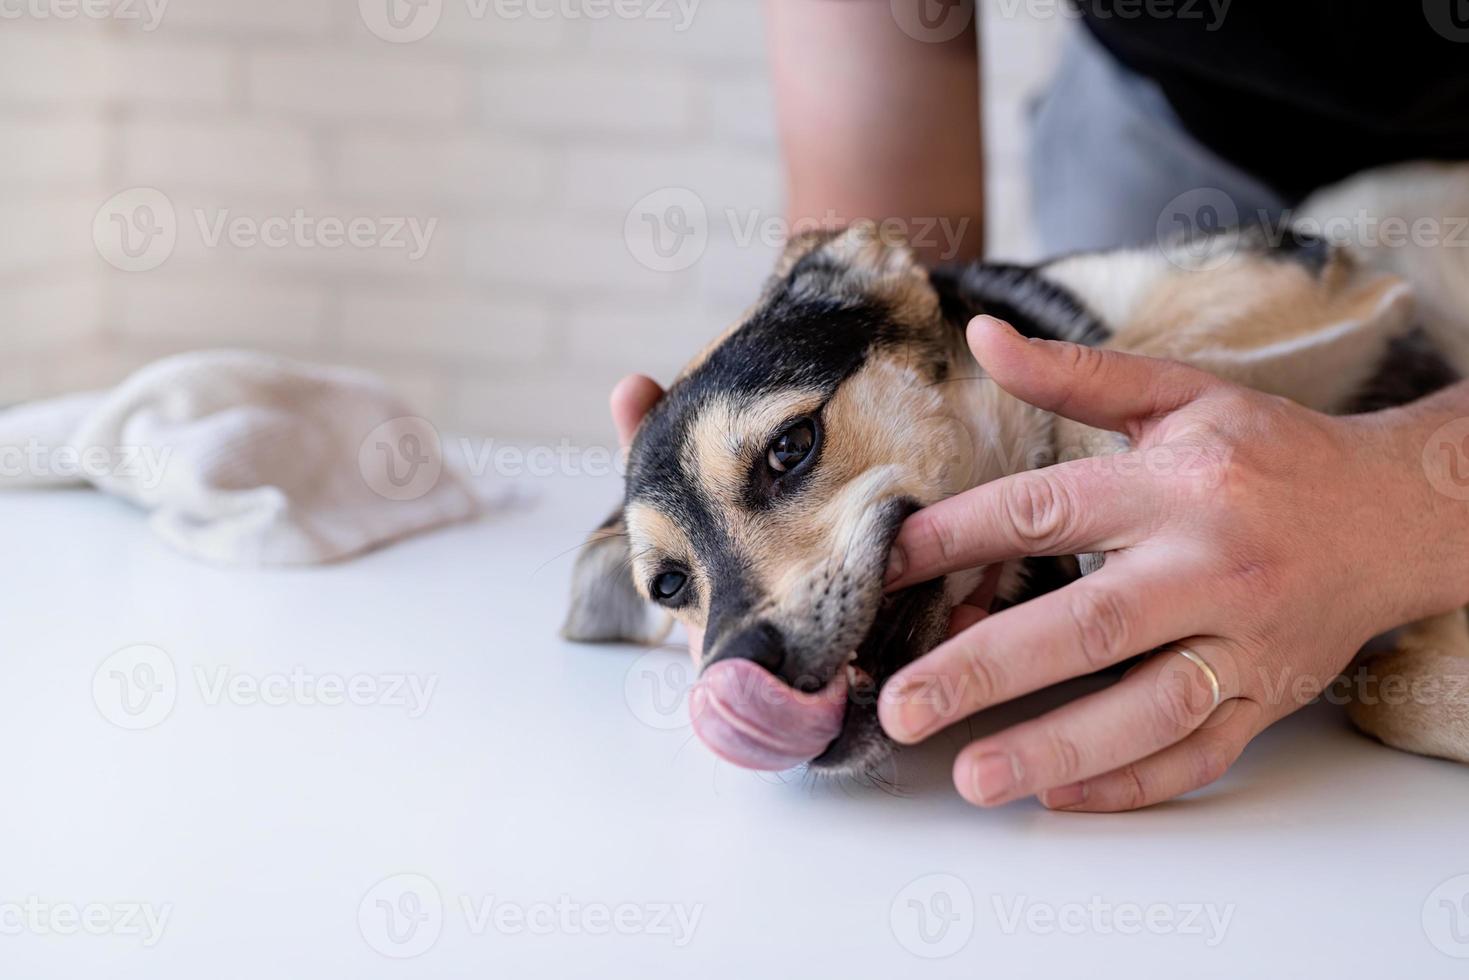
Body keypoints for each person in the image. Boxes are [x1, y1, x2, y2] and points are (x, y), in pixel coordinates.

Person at [609, 2, 1469, 811]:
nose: (738, 636)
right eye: (675, 582)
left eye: (787, 450)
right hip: (1168, 104)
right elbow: (888, 244)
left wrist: (1400, 505)